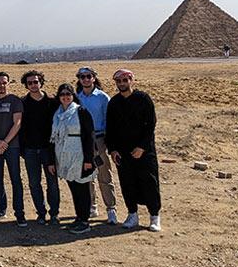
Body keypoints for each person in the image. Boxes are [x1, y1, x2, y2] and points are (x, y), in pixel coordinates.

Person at [106, 69, 162, 232]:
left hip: (144, 151)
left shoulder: (143, 99)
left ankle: (154, 216)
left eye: (125, 80)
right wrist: (113, 150)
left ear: (131, 80)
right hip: (123, 152)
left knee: (150, 182)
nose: (122, 83)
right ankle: (132, 215)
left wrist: (142, 147)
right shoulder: (114, 103)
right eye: (119, 81)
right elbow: (110, 128)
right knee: (127, 183)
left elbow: (151, 125)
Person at [48, 83, 96, 234]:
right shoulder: (56, 114)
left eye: (68, 94)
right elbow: (52, 138)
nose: (65, 97)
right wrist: (51, 160)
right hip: (63, 154)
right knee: (74, 187)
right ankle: (79, 217)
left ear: (73, 96)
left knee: (82, 187)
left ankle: (85, 220)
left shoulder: (81, 111)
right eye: (62, 94)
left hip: (79, 154)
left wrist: (88, 159)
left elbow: (89, 136)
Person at [75, 67, 117, 224]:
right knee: (86, 175)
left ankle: (111, 208)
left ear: (93, 78)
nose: (85, 79)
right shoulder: (76, 98)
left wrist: (107, 142)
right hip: (82, 141)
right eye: (82, 77)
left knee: (104, 174)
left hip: (99, 139)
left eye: (88, 76)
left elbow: (109, 120)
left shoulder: (103, 98)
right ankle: (92, 206)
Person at [0, 72, 26, 227]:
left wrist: (5, 143)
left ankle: (19, 212)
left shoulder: (15, 101)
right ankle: (1, 210)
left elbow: (17, 123)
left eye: (4, 82)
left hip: (12, 147)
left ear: (9, 83)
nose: (2, 85)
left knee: (16, 179)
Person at [19, 70, 60, 225]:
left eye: (36, 82)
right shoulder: (23, 103)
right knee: (34, 183)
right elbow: (20, 127)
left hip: (48, 150)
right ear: (26, 85)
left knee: (52, 183)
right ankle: (41, 213)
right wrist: (23, 149)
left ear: (41, 82)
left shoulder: (52, 101)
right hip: (30, 150)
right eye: (30, 83)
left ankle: (54, 213)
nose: (33, 85)